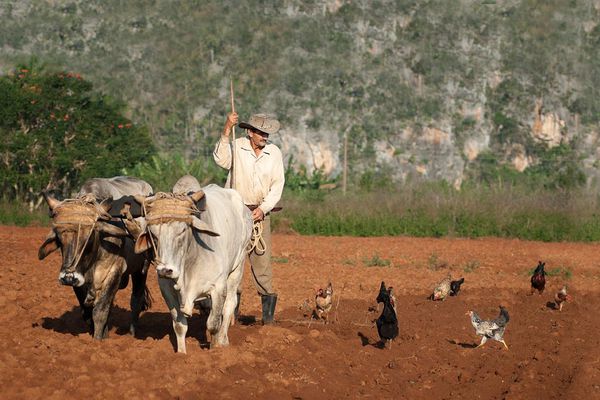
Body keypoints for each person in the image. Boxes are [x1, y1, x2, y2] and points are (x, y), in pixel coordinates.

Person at [213, 112, 285, 324]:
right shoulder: (236, 146)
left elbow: (277, 185)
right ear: (250, 132)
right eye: (261, 132)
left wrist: (263, 209)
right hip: (234, 213)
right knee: (232, 263)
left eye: (267, 133)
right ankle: (229, 316)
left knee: (262, 265)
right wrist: (226, 128)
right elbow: (221, 160)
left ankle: (268, 321)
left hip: (259, 214)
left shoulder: (274, 153)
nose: (265, 136)